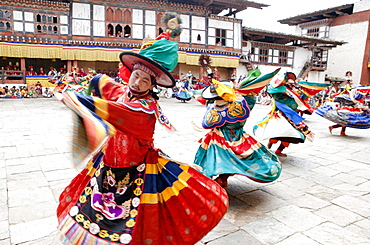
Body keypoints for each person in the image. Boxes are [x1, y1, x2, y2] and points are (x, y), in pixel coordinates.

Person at [56, 13, 228, 245]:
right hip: (107, 167)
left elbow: (119, 112)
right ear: (130, 73)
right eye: (136, 76)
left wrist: (78, 100)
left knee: (136, 221)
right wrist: (87, 87)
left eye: (145, 81)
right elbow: (101, 81)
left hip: (136, 170)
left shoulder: (145, 108)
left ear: (153, 85)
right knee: (92, 214)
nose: (137, 83)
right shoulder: (123, 92)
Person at [193, 69, 282, 188]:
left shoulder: (213, 108)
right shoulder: (242, 104)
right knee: (236, 160)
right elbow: (251, 98)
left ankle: (219, 180)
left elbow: (207, 124)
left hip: (218, 139)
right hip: (238, 137)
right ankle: (223, 178)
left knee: (216, 159)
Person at [253, 72, 315, 157]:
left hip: (290, 116)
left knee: (290, 134)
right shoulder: (278, 92)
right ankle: (268, 148)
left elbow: (299, 99)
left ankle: (278, 150)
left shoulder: (293, 92)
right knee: (276, 133)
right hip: (279, 115)